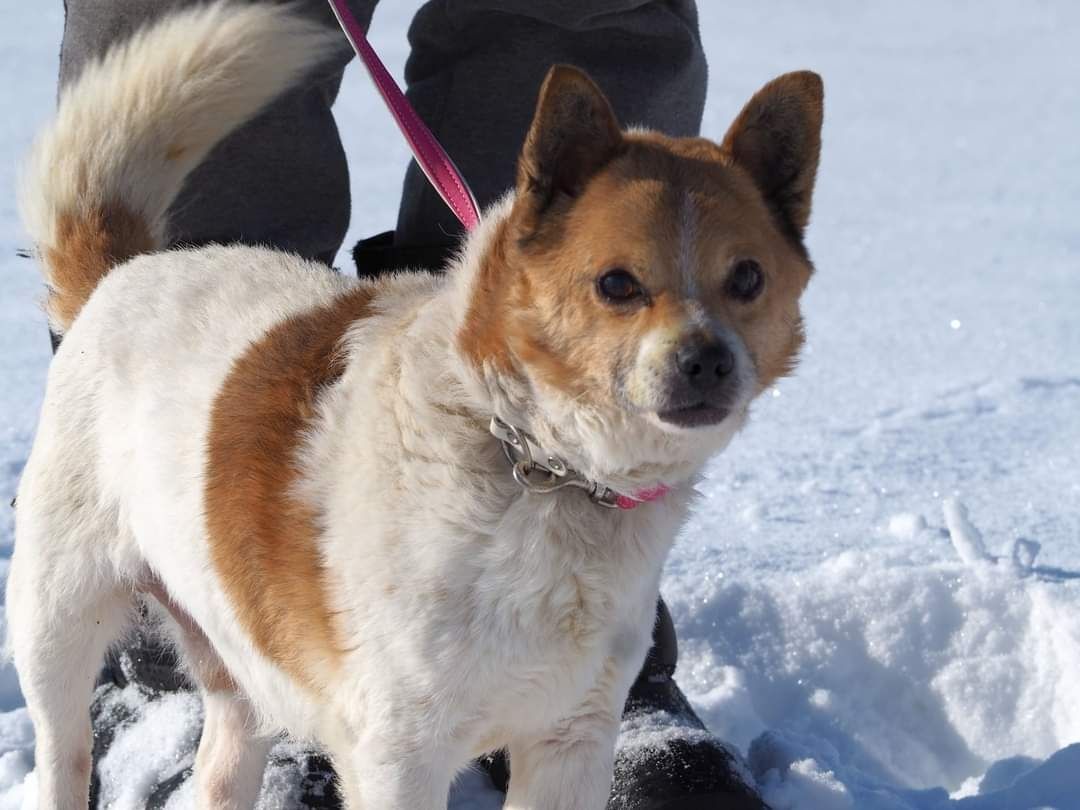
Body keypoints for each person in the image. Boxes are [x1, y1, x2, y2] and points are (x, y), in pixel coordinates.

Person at [57, 1, 767, 807]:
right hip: (194, 356)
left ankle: (561, 672)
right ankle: (222, 647)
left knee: (585, 11)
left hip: (527, 362)